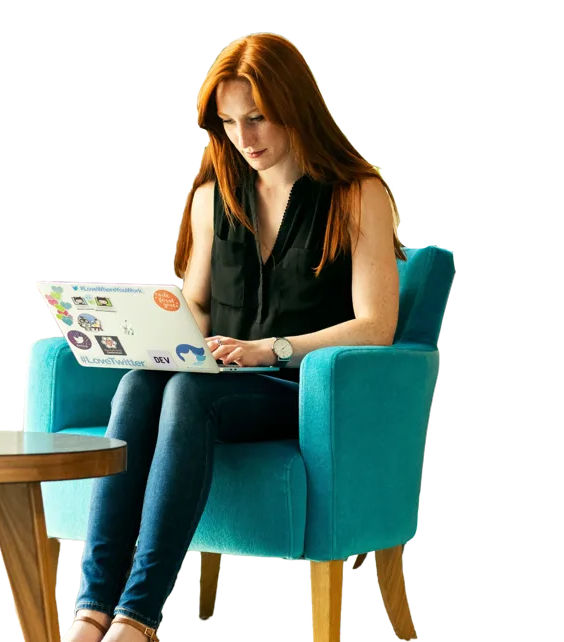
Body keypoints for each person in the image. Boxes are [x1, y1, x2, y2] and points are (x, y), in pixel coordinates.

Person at [64, 33, 406, 641]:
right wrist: (148, 334)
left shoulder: (358, 194)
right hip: (220, 379)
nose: (243, 138)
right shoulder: (212, 196)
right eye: (228, 123)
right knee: (140, 384)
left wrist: (269, 349)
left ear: (296, 107)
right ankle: (92, 612)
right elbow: (196, 305)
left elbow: (376, 325)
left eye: (257, 118)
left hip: (301, 390)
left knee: (187, 394)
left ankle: (137, 617)